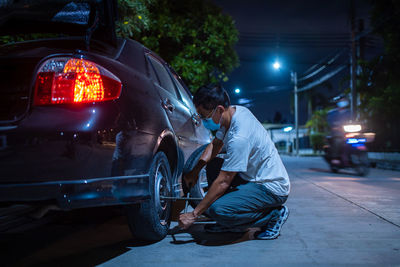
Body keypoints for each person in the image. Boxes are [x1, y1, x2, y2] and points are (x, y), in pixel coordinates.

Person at [178, 85, 290, 240]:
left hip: (270, 187)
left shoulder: (240, 137)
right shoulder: (234, 113)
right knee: (213, 165)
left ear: (219, 109)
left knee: (218, 210)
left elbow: (224, 181)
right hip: (252, 178)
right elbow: (215, 144)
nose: (204, 121)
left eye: (204, 116)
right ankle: (234, 223)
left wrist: (194, 214)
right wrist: (196, 170)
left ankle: (274, 215)